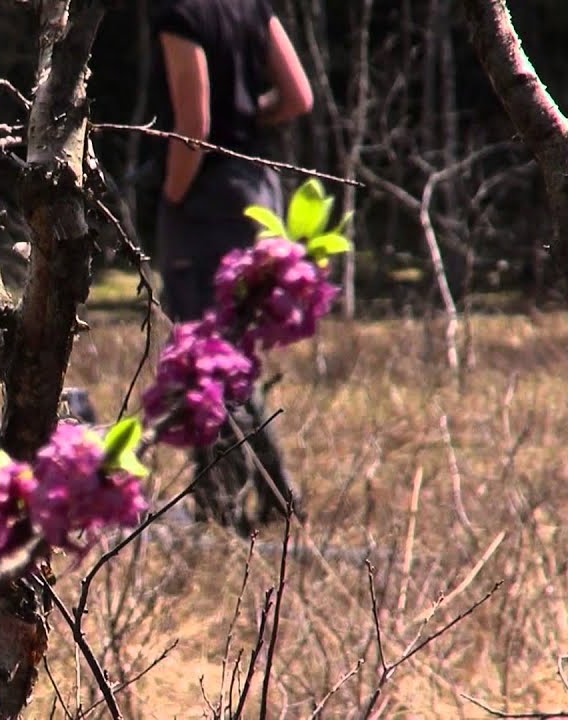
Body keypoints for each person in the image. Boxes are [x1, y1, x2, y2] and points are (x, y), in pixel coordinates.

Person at [151, 0, 313, 528]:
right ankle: (275, 497)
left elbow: (193, 124)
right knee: (235, 350)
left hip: (207, 196)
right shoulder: (251, 6)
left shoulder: (180, 14)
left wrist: (173, 196)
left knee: (203, 356)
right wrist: (246, 119)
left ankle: (222, 506)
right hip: (259, 189)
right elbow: (298, 97)